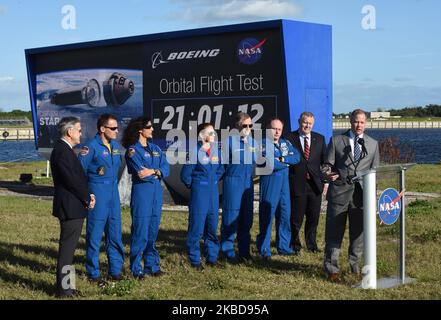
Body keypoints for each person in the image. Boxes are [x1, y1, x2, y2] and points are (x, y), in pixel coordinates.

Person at [323, 109, 380, 282]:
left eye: (362, 122)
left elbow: (375, 172)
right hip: (339, 193)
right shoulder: (336, 141)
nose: (358, 125)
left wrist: (373, 197)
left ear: (366, 123)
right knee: (334, 232)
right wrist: (328, 174)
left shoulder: (373, 144)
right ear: (350, 121)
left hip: (361, 196)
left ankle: (355, 267)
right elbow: (326, 165)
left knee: (358, 234)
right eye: (356, 121)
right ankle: (332, 269)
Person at [50, 116, 95, 297]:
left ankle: (67, 287)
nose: (81, 133)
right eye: (78, 129)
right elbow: (72, 181)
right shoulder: (62, 151)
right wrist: (87, 197)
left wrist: (87, 195)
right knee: (67, 251)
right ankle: (65, 290)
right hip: (70, 207)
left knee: (69, 249)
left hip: (74, 205)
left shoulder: (65, 150)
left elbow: (76, 179)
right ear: (70, 132)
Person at [78, 114, 125, 283]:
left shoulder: (116, 146)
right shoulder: (91, 147)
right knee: (95, 235)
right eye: (113, 128)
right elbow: (79, 173)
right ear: (102, 129)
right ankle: (93, 272)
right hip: (97, 194)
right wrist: (87, 193)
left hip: (113, 193)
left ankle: (115, 269)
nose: (116, 131)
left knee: (114, 233)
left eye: (117, 128)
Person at [122, 116, 169, 279]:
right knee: (140, 231)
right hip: (142, 194)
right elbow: (141, 174)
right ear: (140, 130)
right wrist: (155, 172)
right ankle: (136, 268)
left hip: (156, 194)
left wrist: (154, 171)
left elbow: (166, 168)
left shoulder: (155, 148)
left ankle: (152, 265)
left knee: (152, 231)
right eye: (149, 127)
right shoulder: (132, 151)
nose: (152, 129)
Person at [181, 123, 224, 270]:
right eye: (210, 133)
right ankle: (195, 259)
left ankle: (212, 257)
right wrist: (197, 185)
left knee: (212, 226)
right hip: (200, 192)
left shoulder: (216, 152)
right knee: (197, 227)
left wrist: (214, 181)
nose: (213, 136)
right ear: (202, 135)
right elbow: (185, 175)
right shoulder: (194, 152)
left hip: (213, 191)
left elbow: (220, 169)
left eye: (214, 133)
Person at [256, 118, 300, 259]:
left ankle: (283, 247)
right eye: (274, 128)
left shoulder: (285, 143)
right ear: (268, 128)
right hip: (270, 182)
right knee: (267, 216)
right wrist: (286, 161)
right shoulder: (262, 144)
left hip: (284, 185)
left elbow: (297, 157)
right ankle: (264, 249)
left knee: (284, 215)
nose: (276, 132)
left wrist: (281, 159)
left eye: (279, 129)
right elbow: (270, 164)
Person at [286, 112, 327, 255]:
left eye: (310, 123)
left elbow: (324, 163)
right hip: (297, 183)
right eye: (305, 122)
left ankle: (311, 244)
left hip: (315, 185)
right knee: (296, 217)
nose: (307, 125)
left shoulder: (320, 139)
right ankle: (295, 244)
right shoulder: (289, 138)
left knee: (313, 217)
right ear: (299, 121)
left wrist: (325, 182)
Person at [221, 112, 257, 263]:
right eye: (245, 125)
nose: (248, 128)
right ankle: (227, 251)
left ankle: (244, 251)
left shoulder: (254, 143)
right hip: (233, 182)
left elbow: (255, 163)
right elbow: (222, 164)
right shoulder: (229, 142)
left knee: (246, 218)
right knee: (230, 217)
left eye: (250, 125)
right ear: (238, 126)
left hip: (247, 183)